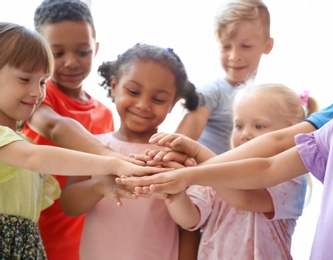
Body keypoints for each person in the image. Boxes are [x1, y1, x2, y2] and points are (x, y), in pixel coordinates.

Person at [117, 0, 333, 258]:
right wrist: (179, 185)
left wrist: (194, 168)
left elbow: (253, 186)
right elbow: (193, 217)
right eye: (237, 125)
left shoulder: (290, 184)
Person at [0, 22, 165, 260]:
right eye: (25, 79)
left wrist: (106, 180)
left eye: (42, 81)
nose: (37, 92)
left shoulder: (25, 142)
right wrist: (113, 163)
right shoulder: (23, 150)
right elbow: (36, 158)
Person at [136, 83, 318, 258]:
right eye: (239, 125)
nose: (245, 133)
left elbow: (244, 199)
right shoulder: (215, 169)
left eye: (259, 126)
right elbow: (190, 219)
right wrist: (175, 193)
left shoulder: (291, 179)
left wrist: (198, 153)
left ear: (288, 133)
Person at [60, 43, 200, 260]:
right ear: (114, 86)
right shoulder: (93, 147)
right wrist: (100, 185)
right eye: (133, 91)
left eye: (158, 99)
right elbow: (69, 205)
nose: (143, 105)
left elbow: (189, 228)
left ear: (172, 103)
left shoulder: (174, 156)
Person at [20, 1, 117, 259]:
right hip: (32, 242)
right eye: (57, 53)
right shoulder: (35, 95)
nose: (71, 62)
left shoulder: (105, 114)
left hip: (82, 245)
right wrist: (111, 156)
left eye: (83, 51)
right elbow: (53, 125)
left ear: (95, 48)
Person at [175, 0, 274, 155]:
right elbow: (177, 144)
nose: (234, 56)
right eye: (226, 47)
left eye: (246, 46)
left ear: (267, 46)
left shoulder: (264, 98)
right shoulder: (212, 92)